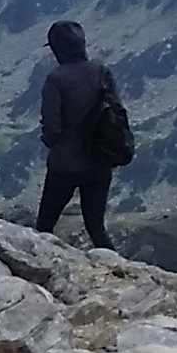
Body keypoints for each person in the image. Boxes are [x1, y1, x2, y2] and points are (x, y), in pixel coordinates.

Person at [36, 19, 121, 252]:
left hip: (65, 166)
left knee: (44, 226)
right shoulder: (102, 72)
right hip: (100, 162)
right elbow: (116, 113)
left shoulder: (56, 80)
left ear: (57, 49)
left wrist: (49, 141)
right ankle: (121, 272)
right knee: (96, 227)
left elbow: (52, 129)